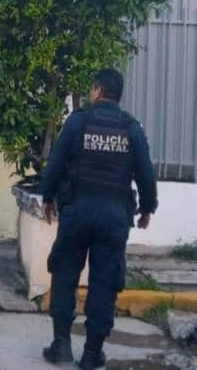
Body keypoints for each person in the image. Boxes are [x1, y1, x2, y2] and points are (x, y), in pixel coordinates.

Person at [41, 68, 157, 369]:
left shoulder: (78, 122)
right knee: (105, 281)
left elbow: (55, 163)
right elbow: (146, 173)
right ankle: (92, 353)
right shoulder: (131, 128)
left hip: (77, 212)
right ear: (117, 95)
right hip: (114, 217)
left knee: (65, 273)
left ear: (97, 90)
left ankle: (61, 345)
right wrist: (147, 209)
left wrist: (47, 197)